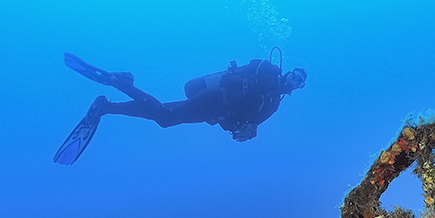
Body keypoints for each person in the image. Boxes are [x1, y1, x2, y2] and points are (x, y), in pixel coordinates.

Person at [53, 52, 307, 165]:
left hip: (215, 113)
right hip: (215, 99)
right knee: (166, 117)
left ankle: (106, 107)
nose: (294, 81)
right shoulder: (267, 72)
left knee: (162, 114)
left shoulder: (273, 106)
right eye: (295, 75)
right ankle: (122, 85)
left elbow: (251, 123)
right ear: (289, 71)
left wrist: (248, 131)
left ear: (298, 89)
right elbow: (238, 79)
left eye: (299, 82)